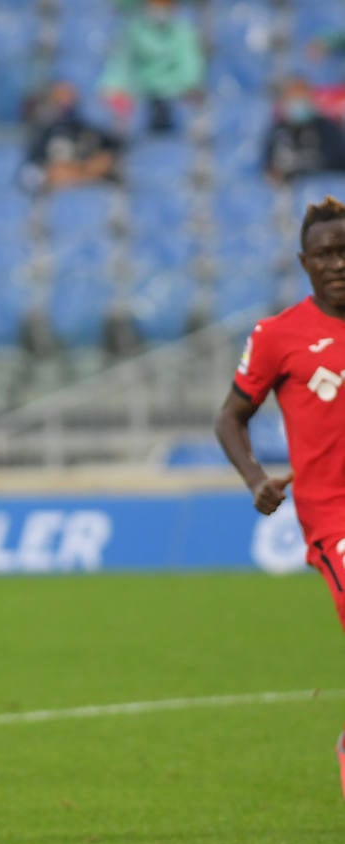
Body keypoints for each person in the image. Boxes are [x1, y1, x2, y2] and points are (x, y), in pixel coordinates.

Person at [215, 195, 345, 793]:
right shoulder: (278, 336)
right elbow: (230, 419)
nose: (338, 263)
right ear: (304, 262)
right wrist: (254, 479)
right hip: (334, 520)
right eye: (325, 254)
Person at [99, 0, 205, 134]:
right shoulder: (134, 30)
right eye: (155, 4)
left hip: (174, 94)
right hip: (140, 94)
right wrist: (114, 87)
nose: (159, 8)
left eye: (164, 4)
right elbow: (121, 64)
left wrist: (187, 87)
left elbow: (191, 69)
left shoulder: (184, 32)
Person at [20, 80, 123, 193]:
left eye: (69, 98)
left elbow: (108, 158)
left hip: (96, 196)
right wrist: (62, 173)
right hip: (55, 198)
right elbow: (32, 174)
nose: (65, 104)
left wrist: (84, 172)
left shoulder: (90, 129)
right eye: (60, 98)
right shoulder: (43, 134)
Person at [262, 76, 345, 184]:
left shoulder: (327, 128)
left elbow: (337, 160)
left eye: (302, 98)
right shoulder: (277, 132)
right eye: (294, 98)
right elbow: (268, 167)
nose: (298, 103)